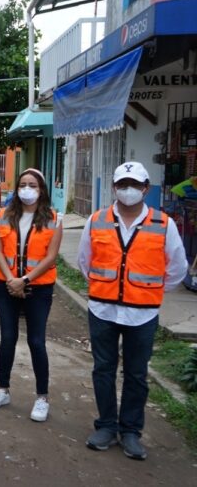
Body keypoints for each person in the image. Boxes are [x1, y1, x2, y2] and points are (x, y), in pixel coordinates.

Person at [79, 162, 187, 460]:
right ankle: (105, 425)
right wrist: (108, 288)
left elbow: (177, 268)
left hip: (143, 313)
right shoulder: (96, 220)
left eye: (135, 185)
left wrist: (148, 292)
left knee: (137, 373)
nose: (128, 190)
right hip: (103, 310)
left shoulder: (164, 224)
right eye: (123, 184)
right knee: (103, 369)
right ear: (114, 188)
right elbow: (85, 262)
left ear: (146, 189)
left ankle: (130, 431)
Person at [0, 168, 63, 422]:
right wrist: (10, 280)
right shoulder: (4, 215)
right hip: (6, 285)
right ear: (17, 189)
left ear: (41, 189)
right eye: (23, 184)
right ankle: (2, 389)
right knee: (8, 337)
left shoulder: (53, 218)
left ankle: (42, 397)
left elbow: (51, 256)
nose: (27, 189)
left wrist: (25, 279)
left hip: (38, 287)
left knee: (36, 341)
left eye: (33, 185)